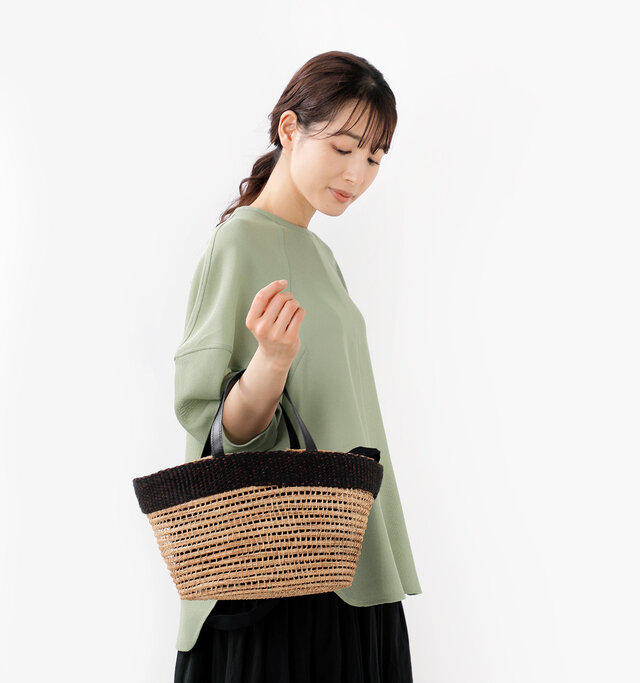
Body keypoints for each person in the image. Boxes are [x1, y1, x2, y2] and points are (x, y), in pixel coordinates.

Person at [172, 50, 422, 683]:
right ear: (289, 128)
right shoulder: (238, 242)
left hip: (349, 557)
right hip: (282, 579)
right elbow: (213, 427)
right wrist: (272, 364)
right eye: (343, 147)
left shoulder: (321, 256)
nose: (357, 174)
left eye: (374, 158)